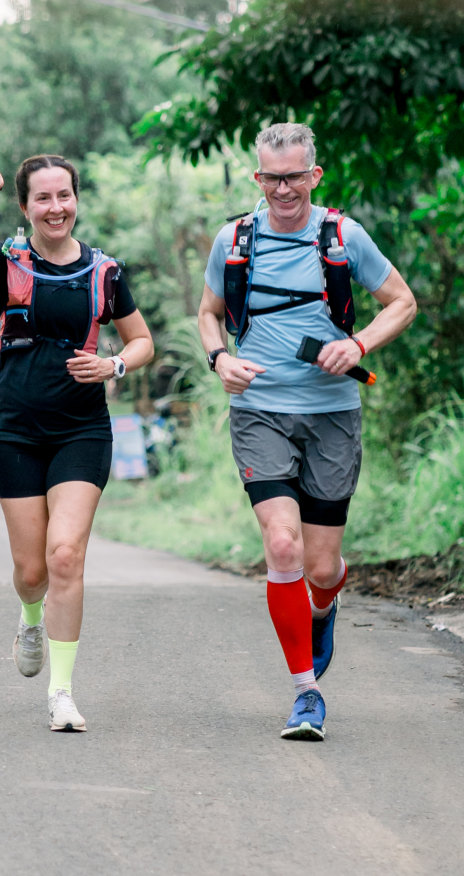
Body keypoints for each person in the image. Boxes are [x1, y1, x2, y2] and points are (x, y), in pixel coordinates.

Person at [199, 123, 416, 741]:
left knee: (321, 568)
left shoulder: (342, 236)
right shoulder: (234, 238)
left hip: (332, 415)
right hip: (260, 408)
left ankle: (324, 605)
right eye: (272, 178)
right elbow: (209, 313)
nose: (284, 189)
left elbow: (401, 301)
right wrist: (220, 360)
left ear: (314, 176)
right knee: (283, 544)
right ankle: (306, 692)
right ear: (258, 179)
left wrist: (358, 343)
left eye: (295, 176)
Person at [0, 154, 154, 732]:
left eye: (65, 196)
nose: (56, 208)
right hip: (15, 430)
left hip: (82, 430)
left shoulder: (105, 272)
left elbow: (142, 340)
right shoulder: (6, 261)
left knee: (65, 555)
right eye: (43, 199)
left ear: (77, 199)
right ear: (25, 208)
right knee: (32, 570)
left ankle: (62, 692)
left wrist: (116, 366)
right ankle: (30, 616)